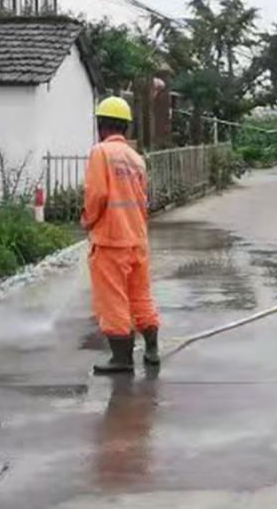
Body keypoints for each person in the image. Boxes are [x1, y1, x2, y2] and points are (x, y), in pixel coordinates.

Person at [82, 97, 161, 374]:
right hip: (137, 238)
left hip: (111, 239)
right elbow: (142, 199)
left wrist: (87, 221)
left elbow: (97, 195)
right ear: (126, 127)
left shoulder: (100, 153)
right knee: (140, 294)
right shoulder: (136, 159)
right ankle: (151, 349)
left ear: (101, 125)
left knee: (112, 298)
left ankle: (122, 358)